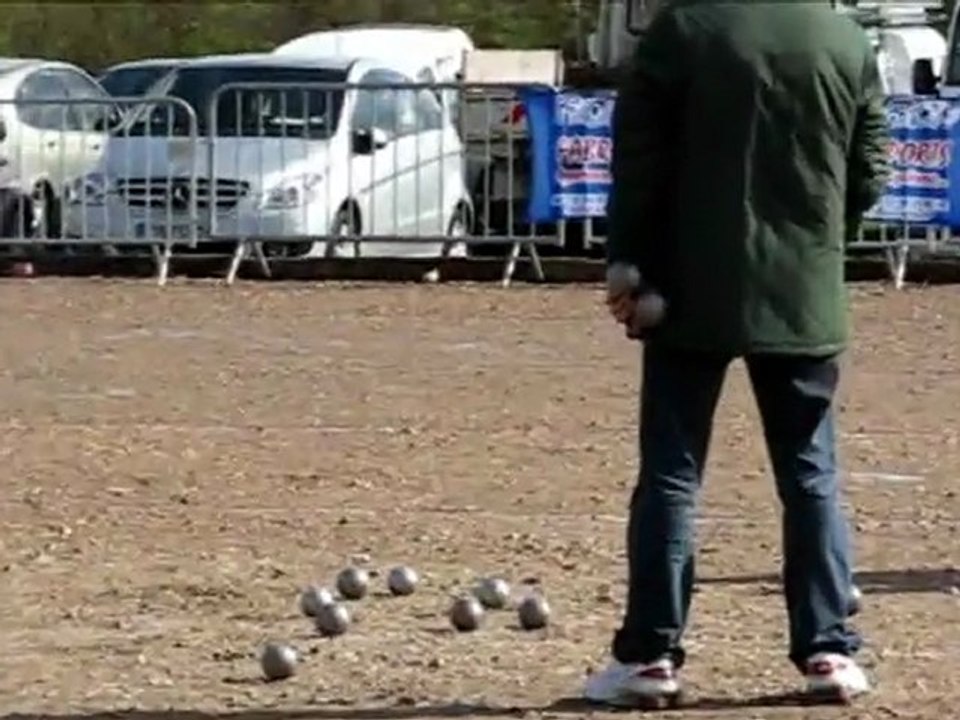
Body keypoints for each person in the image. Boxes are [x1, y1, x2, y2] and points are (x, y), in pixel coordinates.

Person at [585, 0, 889, 708]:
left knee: (671, 473)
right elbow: (870, 161)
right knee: (811, 473)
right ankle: (828, 649)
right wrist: (824, 238)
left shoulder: (683, 30)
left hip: (689, 288)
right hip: (804, 290)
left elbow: (638, 161)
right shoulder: (843, 37)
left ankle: (650, 656)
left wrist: (629, 259)